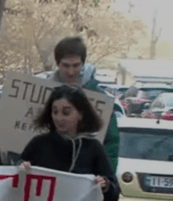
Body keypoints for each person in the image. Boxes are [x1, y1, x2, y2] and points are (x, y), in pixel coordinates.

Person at [47, 36, 119, 172]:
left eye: (76, 65)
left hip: (83, 174)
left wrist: (107, 176)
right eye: (65, 65)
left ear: (83, 64)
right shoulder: (42, 91)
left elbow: (111, 142)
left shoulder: (99, 98)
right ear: (57, 64)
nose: (71, 72)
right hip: (47, 171)